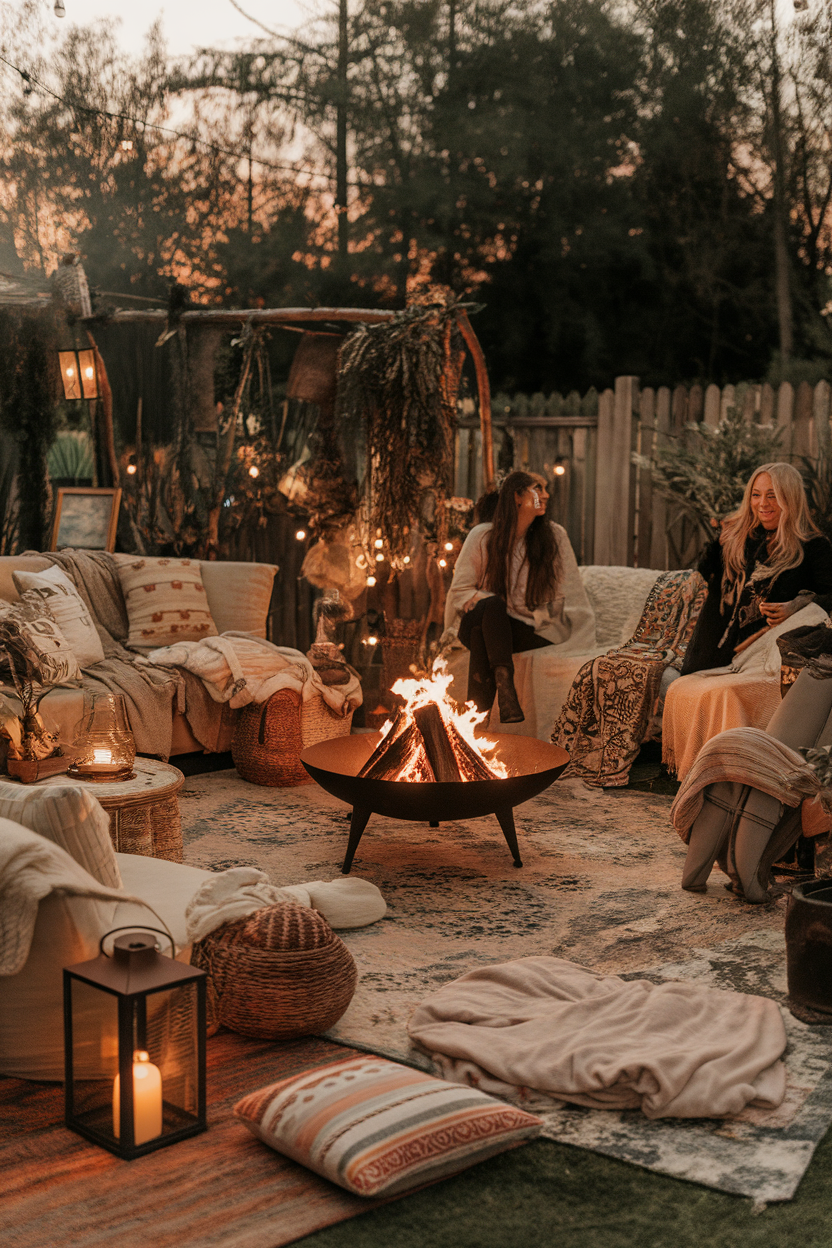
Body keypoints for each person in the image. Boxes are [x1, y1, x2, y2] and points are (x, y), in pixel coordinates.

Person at [443, 470, 595, 723]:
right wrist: (498, 606)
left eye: (546, 489)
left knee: (482, 634)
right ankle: (505, 689)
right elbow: (460, 592)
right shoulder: (482, 536)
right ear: (516, 496)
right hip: (484, 616)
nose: (546, 495)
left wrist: (541, 619)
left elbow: (565, 591)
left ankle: (477, 720)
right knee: (492, 607)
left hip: (526, 627)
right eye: (538, 489)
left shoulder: (554, 536)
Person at [681, 462, 832, 676]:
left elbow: (830, 596)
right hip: (727, 650)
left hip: (769, 654)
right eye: (756, 495)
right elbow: (708, 577)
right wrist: (720, 543)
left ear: (790, 497)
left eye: (772, 495)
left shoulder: (814, 546)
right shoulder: (746, 538)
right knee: (684, 686)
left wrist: (797, 605)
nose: (763, 504)